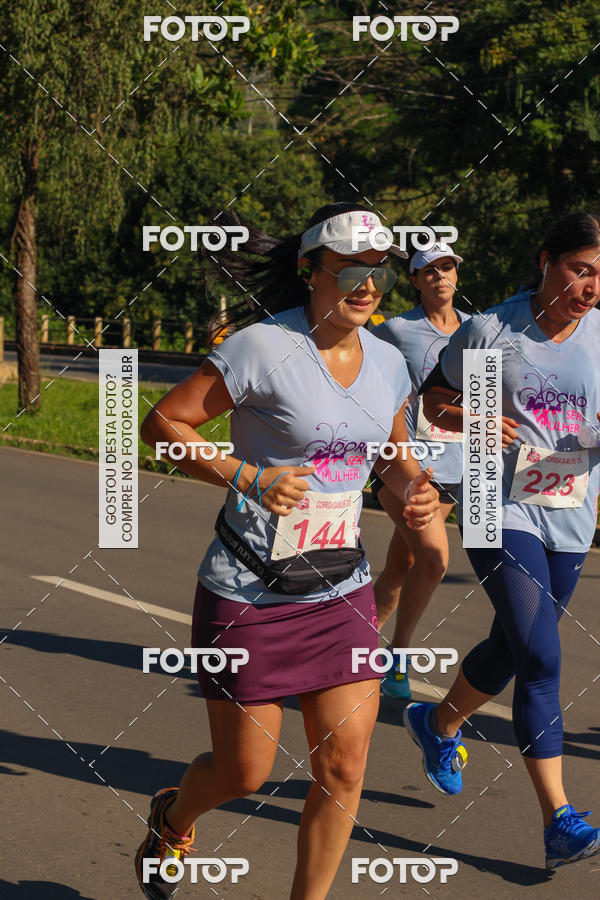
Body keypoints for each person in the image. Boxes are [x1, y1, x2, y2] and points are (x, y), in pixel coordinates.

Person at [135, 201, 440, 900]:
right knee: (245, 773)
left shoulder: (390, 362)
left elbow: (393, 459)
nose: (368, 286)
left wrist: (416, 487)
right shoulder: (260, 348)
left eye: (380, 273)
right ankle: (173, 816)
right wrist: (246, 475)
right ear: (311, 271)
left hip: (341, 591)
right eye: (351, 271)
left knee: (344, 769)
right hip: (249, 591)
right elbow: (162, 423)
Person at [404, 211, 600, 869]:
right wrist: (481, 419)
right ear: (547, 261)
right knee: (542, 654)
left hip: (570, 508)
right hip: (496, 504)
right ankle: (559, 819)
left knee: (510, 647)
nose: (590, 285)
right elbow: (436, 403)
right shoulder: (492, 329)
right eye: (581, 269)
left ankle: (438, 724)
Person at [371, 242, 469, 699]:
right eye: (428, 271)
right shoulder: (395, 330)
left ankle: (343, 644)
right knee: (433, 559)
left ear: (456, 274)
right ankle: (397, 660)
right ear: (414, 280)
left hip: (455, 467)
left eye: (446, 268)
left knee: (401, 564)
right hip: (405, 466)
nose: (439, 277)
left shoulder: (477, 330)